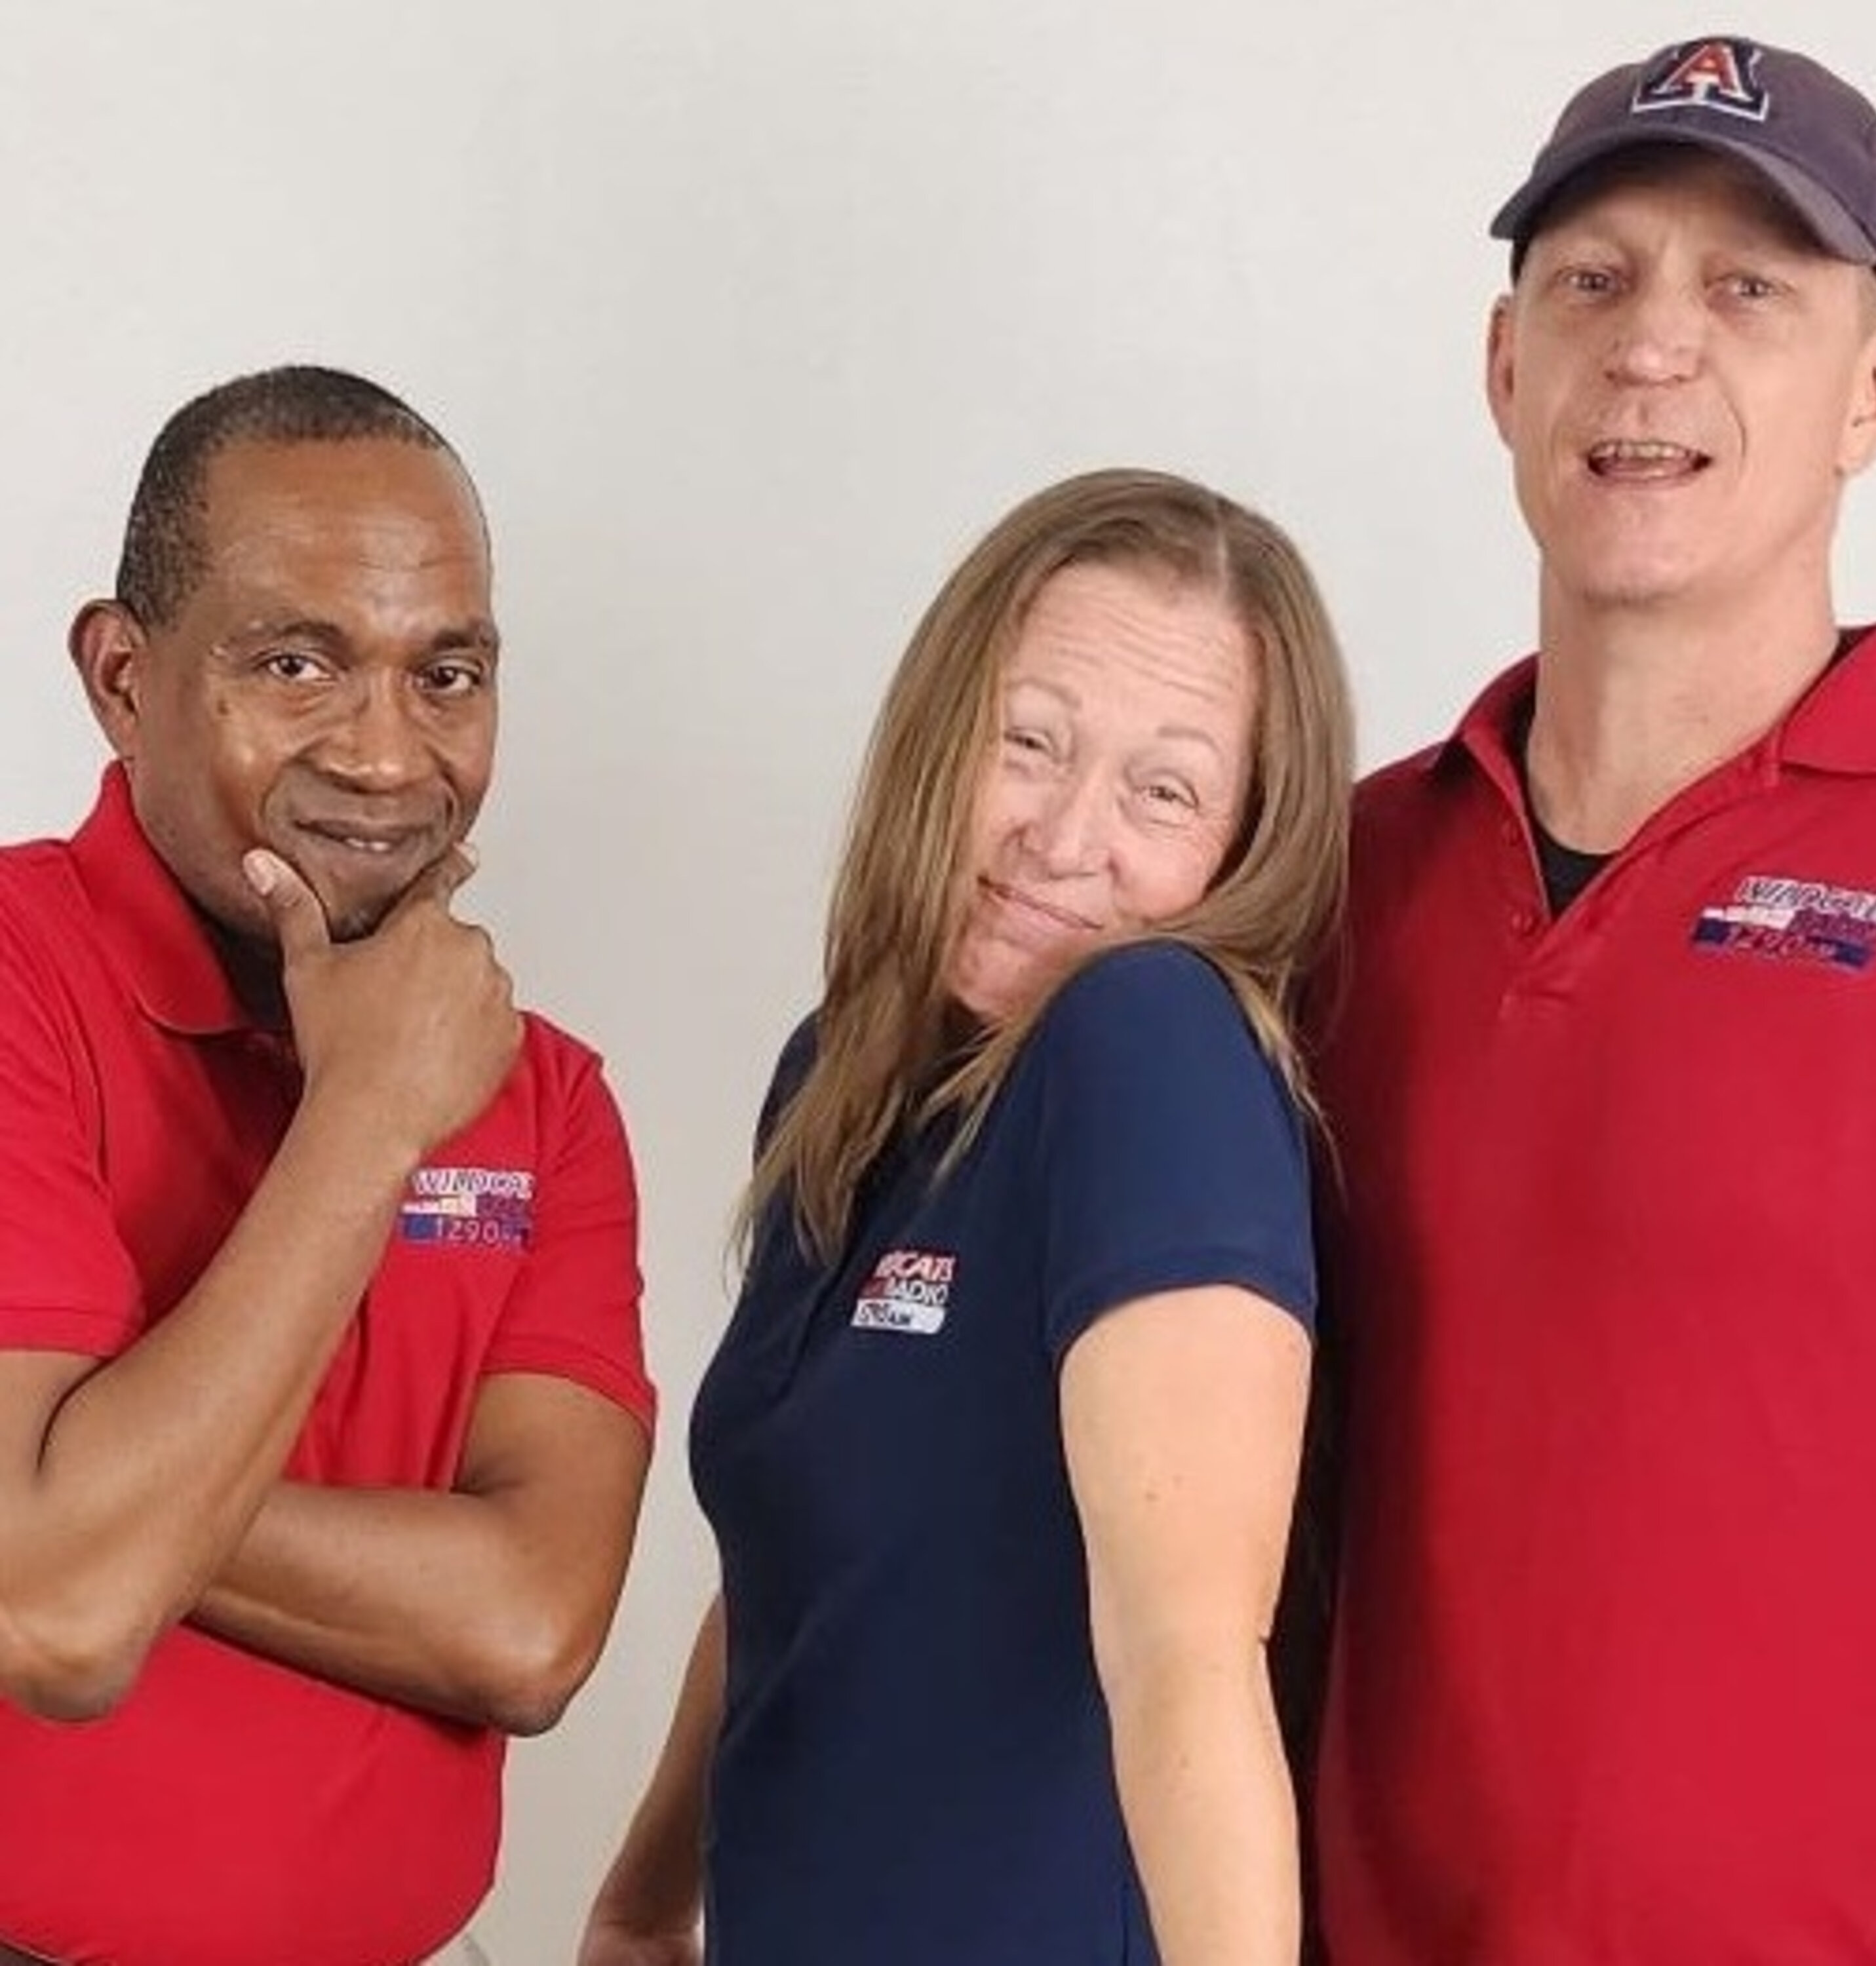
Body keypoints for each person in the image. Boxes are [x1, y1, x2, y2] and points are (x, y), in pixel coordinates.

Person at [1303, 33, 1876, 1964]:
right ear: (1508, 367)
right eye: (1595, 279)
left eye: (1750, 288)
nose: (1653, 343)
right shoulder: (1337, 878)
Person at [576, 468, 1354, 1965]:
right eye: (1030, 741)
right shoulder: (840, 1078)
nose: (1065, 837)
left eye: (1165, 791)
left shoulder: (1152, 1045)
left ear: (1243, 848)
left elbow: (1191, 1656)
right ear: (941, 736)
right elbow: (796, 1562)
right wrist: (643, 1898)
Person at [0, 366, 655, 1966]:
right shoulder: (18, 978)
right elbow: (62, 1619)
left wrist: (99, 1498)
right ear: (122, 678)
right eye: (295, 663)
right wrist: (369, 1117)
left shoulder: (549, 1098)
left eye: (448, 675)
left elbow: (531, 1628)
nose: (385, 754)